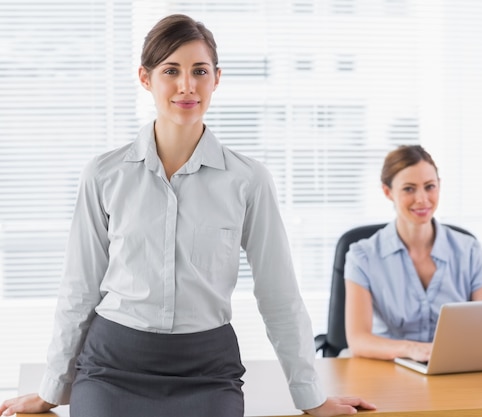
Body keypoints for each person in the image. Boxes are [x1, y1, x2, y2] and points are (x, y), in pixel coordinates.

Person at [0, 14, 375, 417]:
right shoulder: (105, 175)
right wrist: (52, 389)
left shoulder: (248, 180)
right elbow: (79, 288)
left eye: (199, 71)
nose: (187, 86)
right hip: (113, 365)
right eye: (171, 71)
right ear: (146, 78)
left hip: (206, 369)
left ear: (216, 78)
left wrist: (311, 398)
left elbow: (279, 294)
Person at [344, 144, 482, 363]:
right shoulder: (363, 256)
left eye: (430, 186)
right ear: (387, 192)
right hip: (389, 367)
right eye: (409, 189)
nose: (422, 199)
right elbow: (358, 340)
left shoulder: (468, 250)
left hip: (454, 365)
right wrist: (411, 349)